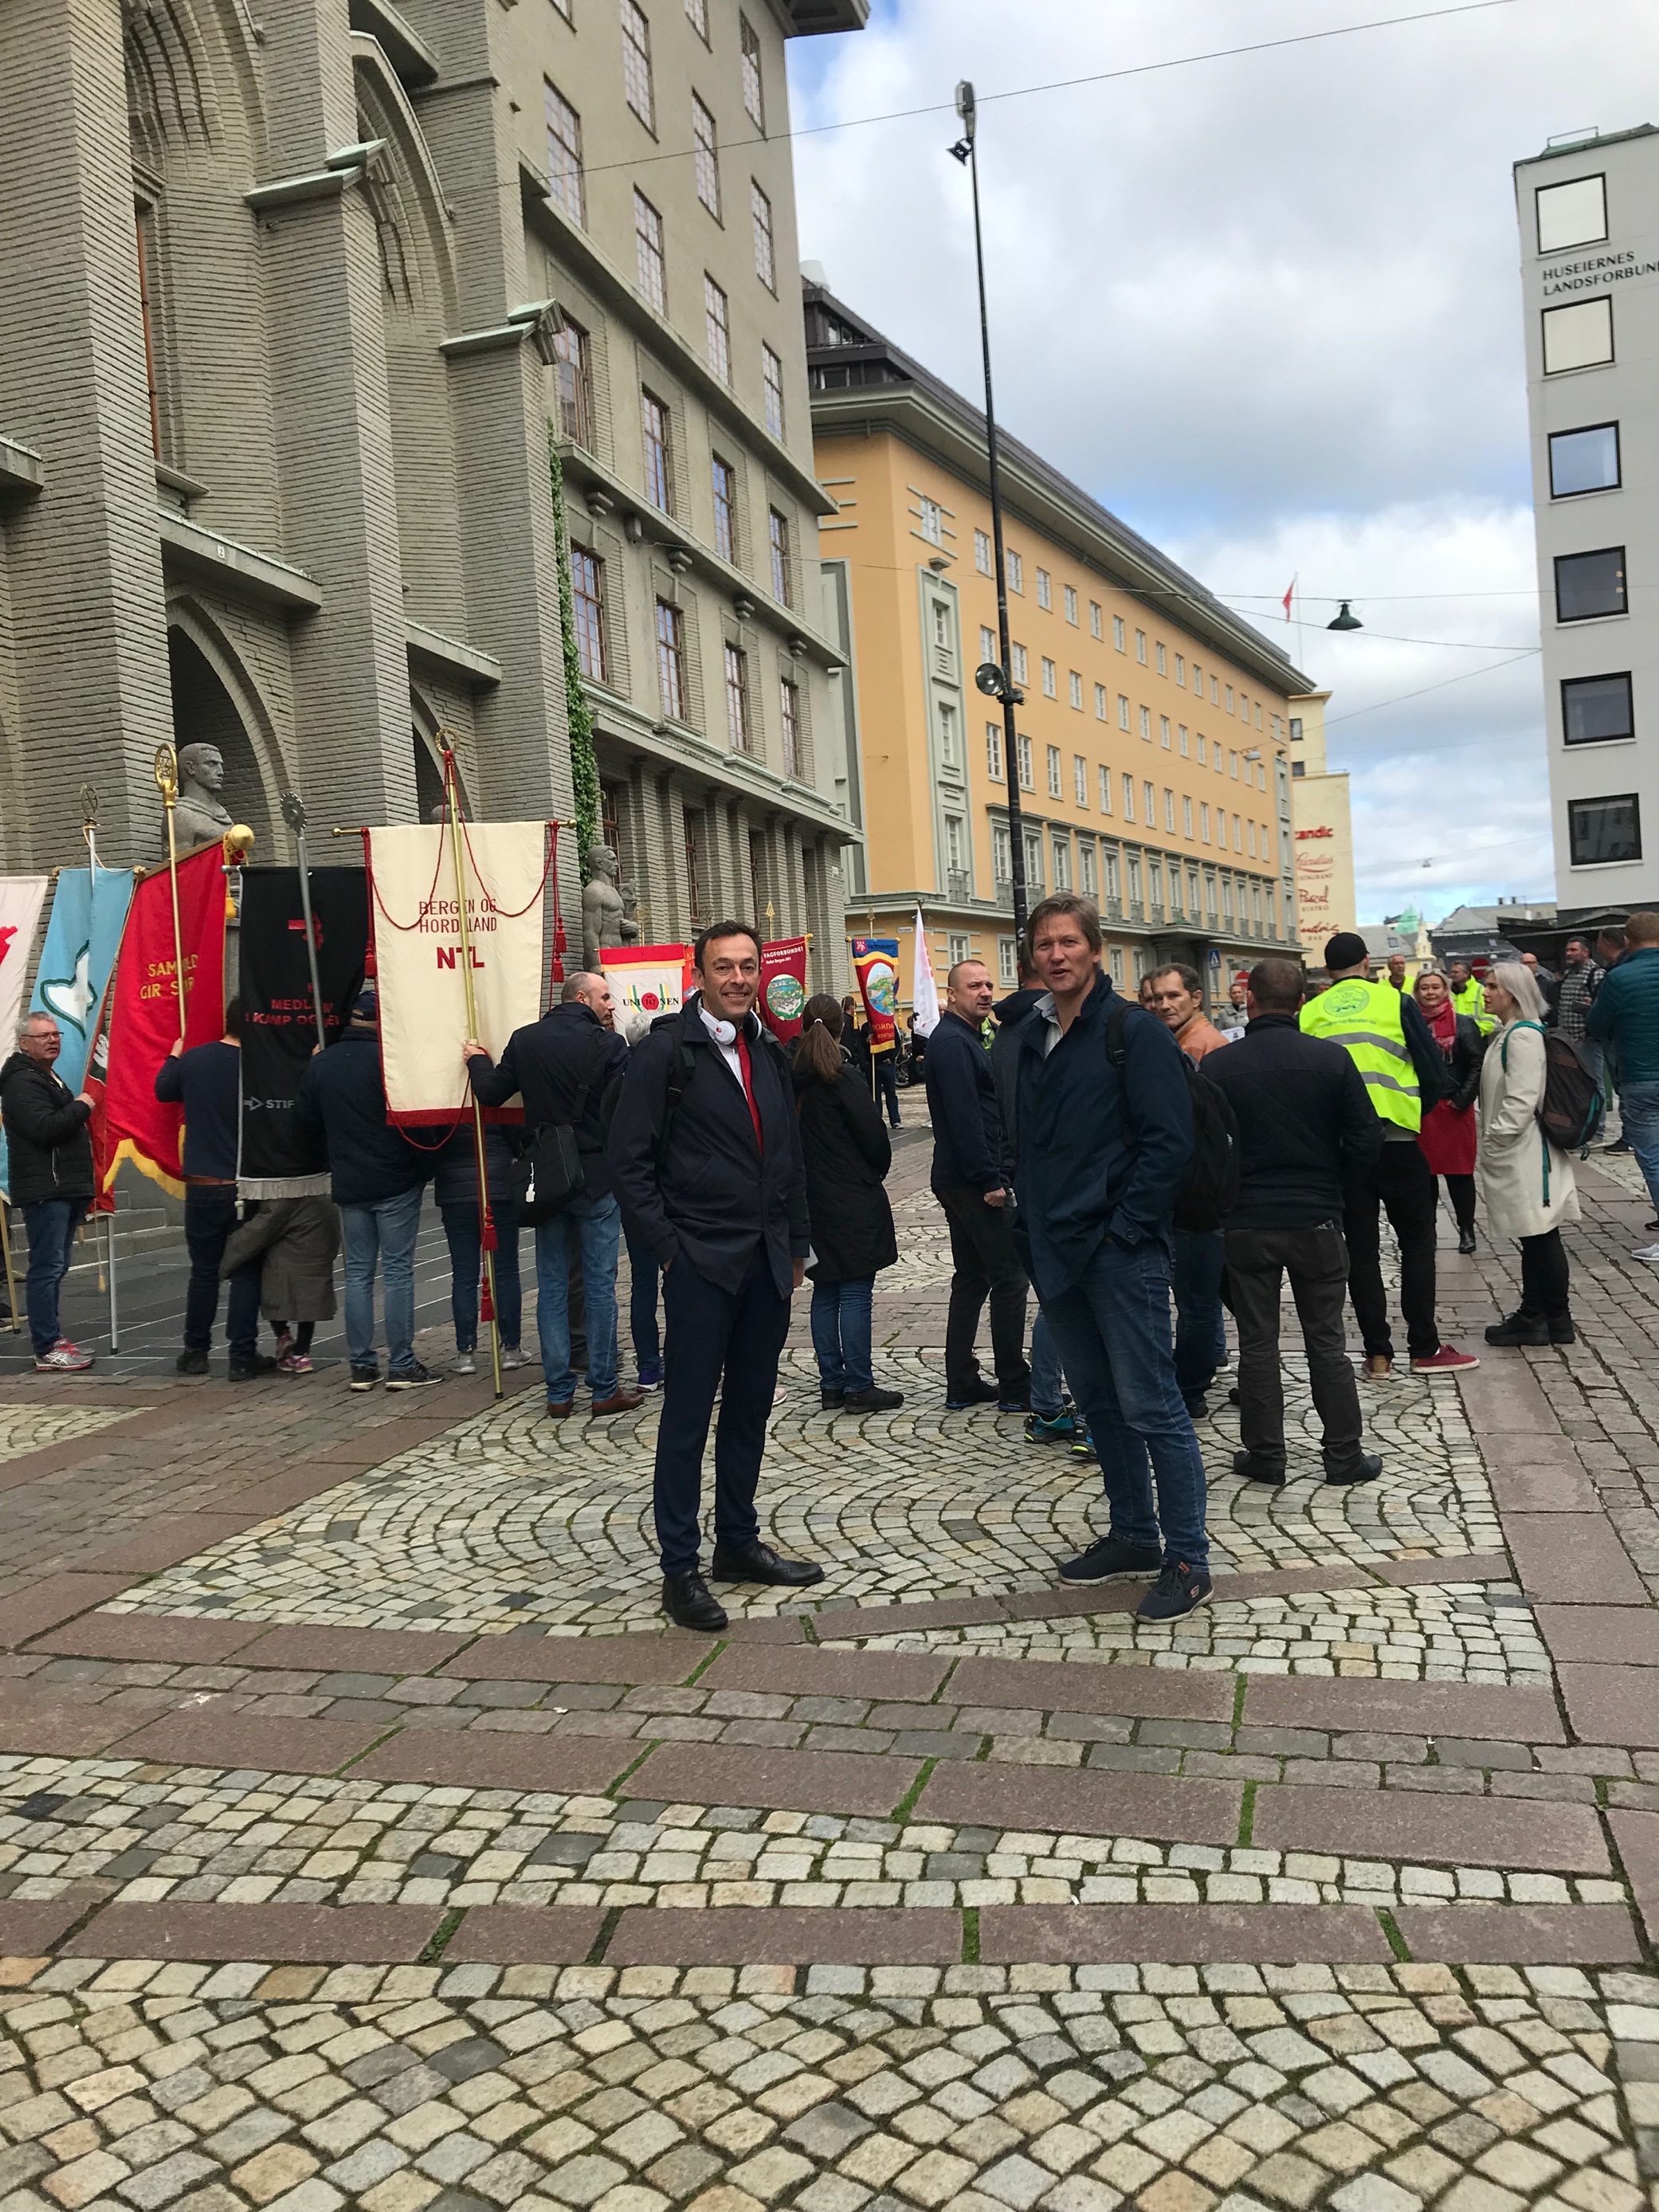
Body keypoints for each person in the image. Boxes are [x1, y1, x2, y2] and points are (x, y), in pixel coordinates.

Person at [999, 894, 1211, 1623]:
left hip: (1119, 1254)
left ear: (1095, 951)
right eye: (1043, 945)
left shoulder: (1133, 1033)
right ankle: (1133, 1534)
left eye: (1068, 943)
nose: (1055, 955)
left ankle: (1188, 1556)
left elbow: (1168, 1146)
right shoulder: (1031, 1034)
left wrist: (1125, 1229)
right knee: (1098, 1405)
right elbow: (1023, 1136)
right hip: (1055, 1251)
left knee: (1152, 1406)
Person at [608, 920, 819, 1632]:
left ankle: (737, 1541)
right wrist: (668, 1250)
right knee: (687, 1417)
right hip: (700, 1264)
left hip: (765, 1262)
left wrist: (798, 1244)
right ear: (698, 974)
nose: (737, 978)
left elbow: (787, 1153)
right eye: (723, 967)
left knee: (752, 1410)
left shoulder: (768, 1049)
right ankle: (679, 1568)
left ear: (761, 973)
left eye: (747, 966)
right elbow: (629, 1164)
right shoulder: (666, 1054)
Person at [1204, 958, 1386, 1485]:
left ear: (1249, 1000)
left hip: (1248, 1222)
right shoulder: (1332, 1060)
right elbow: (1367, 1137)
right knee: (1326, 1340)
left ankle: (1266, 1456)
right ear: (1303, 1003)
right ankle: (1343, 1456)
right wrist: (1338, 1186)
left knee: (1257, 1343)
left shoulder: (1219, 1066)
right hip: (1317, 1218)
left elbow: (1205, 1150)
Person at [1300, 931, 1478, 1376]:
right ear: (1367, 963)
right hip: (1397, 1140)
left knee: (1361, 1252)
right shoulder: (1393, 1002)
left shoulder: (1311, 1012)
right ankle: (1425, 1348)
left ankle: (1377, 1353)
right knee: (1417, 1243)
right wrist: (1420, 1101)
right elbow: (1431, 1068)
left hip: (1343, 1150)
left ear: (1327, 970)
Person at [465, 971, 637, 1417]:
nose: (610, 1005)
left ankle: (559, 1392)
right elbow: (627, 1108)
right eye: (604, 997)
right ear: (581, 997)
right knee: (600, 1286)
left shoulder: (526, 1040)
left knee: (552, 1285)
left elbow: (490, 1093)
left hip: (548, 1178)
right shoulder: (609, 1045)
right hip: (597, 1177)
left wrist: (477, 1060)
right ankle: (603, 1389)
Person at [293, 986, 438, 1390]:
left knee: (357, 1274)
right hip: (395, 1178)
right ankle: (403, 1363)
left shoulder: (324, 1064)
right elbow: (421, 1119)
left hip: (350, 1180)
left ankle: (361, 1364)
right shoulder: (392, 1061)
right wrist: (422, 1168)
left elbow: (303, 1122)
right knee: (396, 1272)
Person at [925, 957, 1030, 1411]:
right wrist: (991, 1180)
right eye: (974, 986)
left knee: (972, 1278)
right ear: (952, 995)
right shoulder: (952, 1043)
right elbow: (967, 1119)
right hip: (972, 1182)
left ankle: (962, 1380)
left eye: (989, 984)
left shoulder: (963, 1038)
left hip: (961, 1178)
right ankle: (1014, 1384)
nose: (986, 992)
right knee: (1010, 1277)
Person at [793, 994, 901, 1414]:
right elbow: (875, 1139)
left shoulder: (792, 1079)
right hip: (851, 1198)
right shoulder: (845, 1078)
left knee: (825, 1291)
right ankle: (858, 1384)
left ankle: (831, 1383)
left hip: (810, 1201)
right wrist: (873, 1172)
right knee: (855, 1291)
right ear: (842, 1027)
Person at [154, 999, 272, 1381]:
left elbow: (163, 1091)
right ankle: (241, 1355)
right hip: (246, 1183)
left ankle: (195, 1351)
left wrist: (174, 1057)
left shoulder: (195, 1059)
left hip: (203, 1184)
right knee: (245, 1272)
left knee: (203, 1272)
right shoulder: (263, 1065)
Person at [1480, 963, 1579, 1343]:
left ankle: (1550, 1318)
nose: (1485, 992)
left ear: (1514, 994)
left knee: (1540, 1235)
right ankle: (1541, 1315)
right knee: (1534, 1236)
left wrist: (1496, 1138)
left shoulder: (1521, 1037)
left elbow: (1522, 1099)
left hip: (1524, 1153)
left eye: (1493, 986)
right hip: (1519, 1150)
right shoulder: (1509, 1034)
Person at [1147, 964, 1229, 1418]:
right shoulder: (1178, 1043)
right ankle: (1209, 1361)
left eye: (1173, 996)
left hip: (1195, 1198)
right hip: (1190, 1197)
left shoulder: (1203, 1048)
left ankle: (1190, 1388)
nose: (1163, 1005)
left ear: (1196, 998)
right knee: (1204, 1298)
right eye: (1156, 998)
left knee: (1196, 1300)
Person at [0, 1013, 97, 1372]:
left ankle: (53, 1340)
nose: (53, 1041)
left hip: (62, 1186)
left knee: (56, 1267)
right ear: (24, 1042)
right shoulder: (22, 1082)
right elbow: (44, 1129)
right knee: (46, 1268)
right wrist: (82, 1105)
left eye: (56, 1034)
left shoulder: (45, 1076)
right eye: (43, 1036)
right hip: (46, 1189)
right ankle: (46, 1345)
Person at [1588, 909, 1659, 1257]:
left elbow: (1597, 1026)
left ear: (1628, 942)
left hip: (1641, 1077)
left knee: (1654, 1158)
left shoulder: (1619, 978)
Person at [433, 1121, 525, 1375]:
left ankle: (466, 1353)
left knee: (463, 1274)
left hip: (455, 1188)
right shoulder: (495, 1088)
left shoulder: (444, 1093)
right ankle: (511, 1348)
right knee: (506, 1270)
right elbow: (517, 1137)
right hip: (496, 1185)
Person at [220, 1197, 340, 1375]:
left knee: (274, 1285)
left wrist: (222, 1264)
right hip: (316, 1234)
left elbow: (259, 1231)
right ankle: (301, 1352)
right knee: (309, 1295)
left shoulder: (282, 1201)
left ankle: (283, 1338)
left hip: (284, 1236)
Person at [1413, 968, 1485, 1254]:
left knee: (1460, 1176)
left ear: (1445, 990)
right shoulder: (1409, 1023)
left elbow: (1477, 1063)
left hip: (1454, 1109)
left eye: (1435, 987)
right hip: (1423, 1110)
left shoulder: (1464, 1024)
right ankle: (1427, 1232)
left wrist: (1463, 1098)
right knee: (1424, 1176)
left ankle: (1466, 1229)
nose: (1430, 993)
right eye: (1424, 988)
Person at [1447, 959, 1495, 1037]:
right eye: (1452, 972)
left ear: (1466, 974)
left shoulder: (1480, 990)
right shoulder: (1448, 991)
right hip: (1454, 1038)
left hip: (1477, 1038)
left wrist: (1474, 1034)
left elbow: (1489, 1018)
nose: (1453, 975)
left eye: (1456, 972)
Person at [1214, 974, 1249, 1041]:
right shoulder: (1224, 1013)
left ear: (1243, 994)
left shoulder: (1250, 1010)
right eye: (1234, 993)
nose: (1237, 995)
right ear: (1230, 995)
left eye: (1239, 992)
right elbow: (1220, 1032)